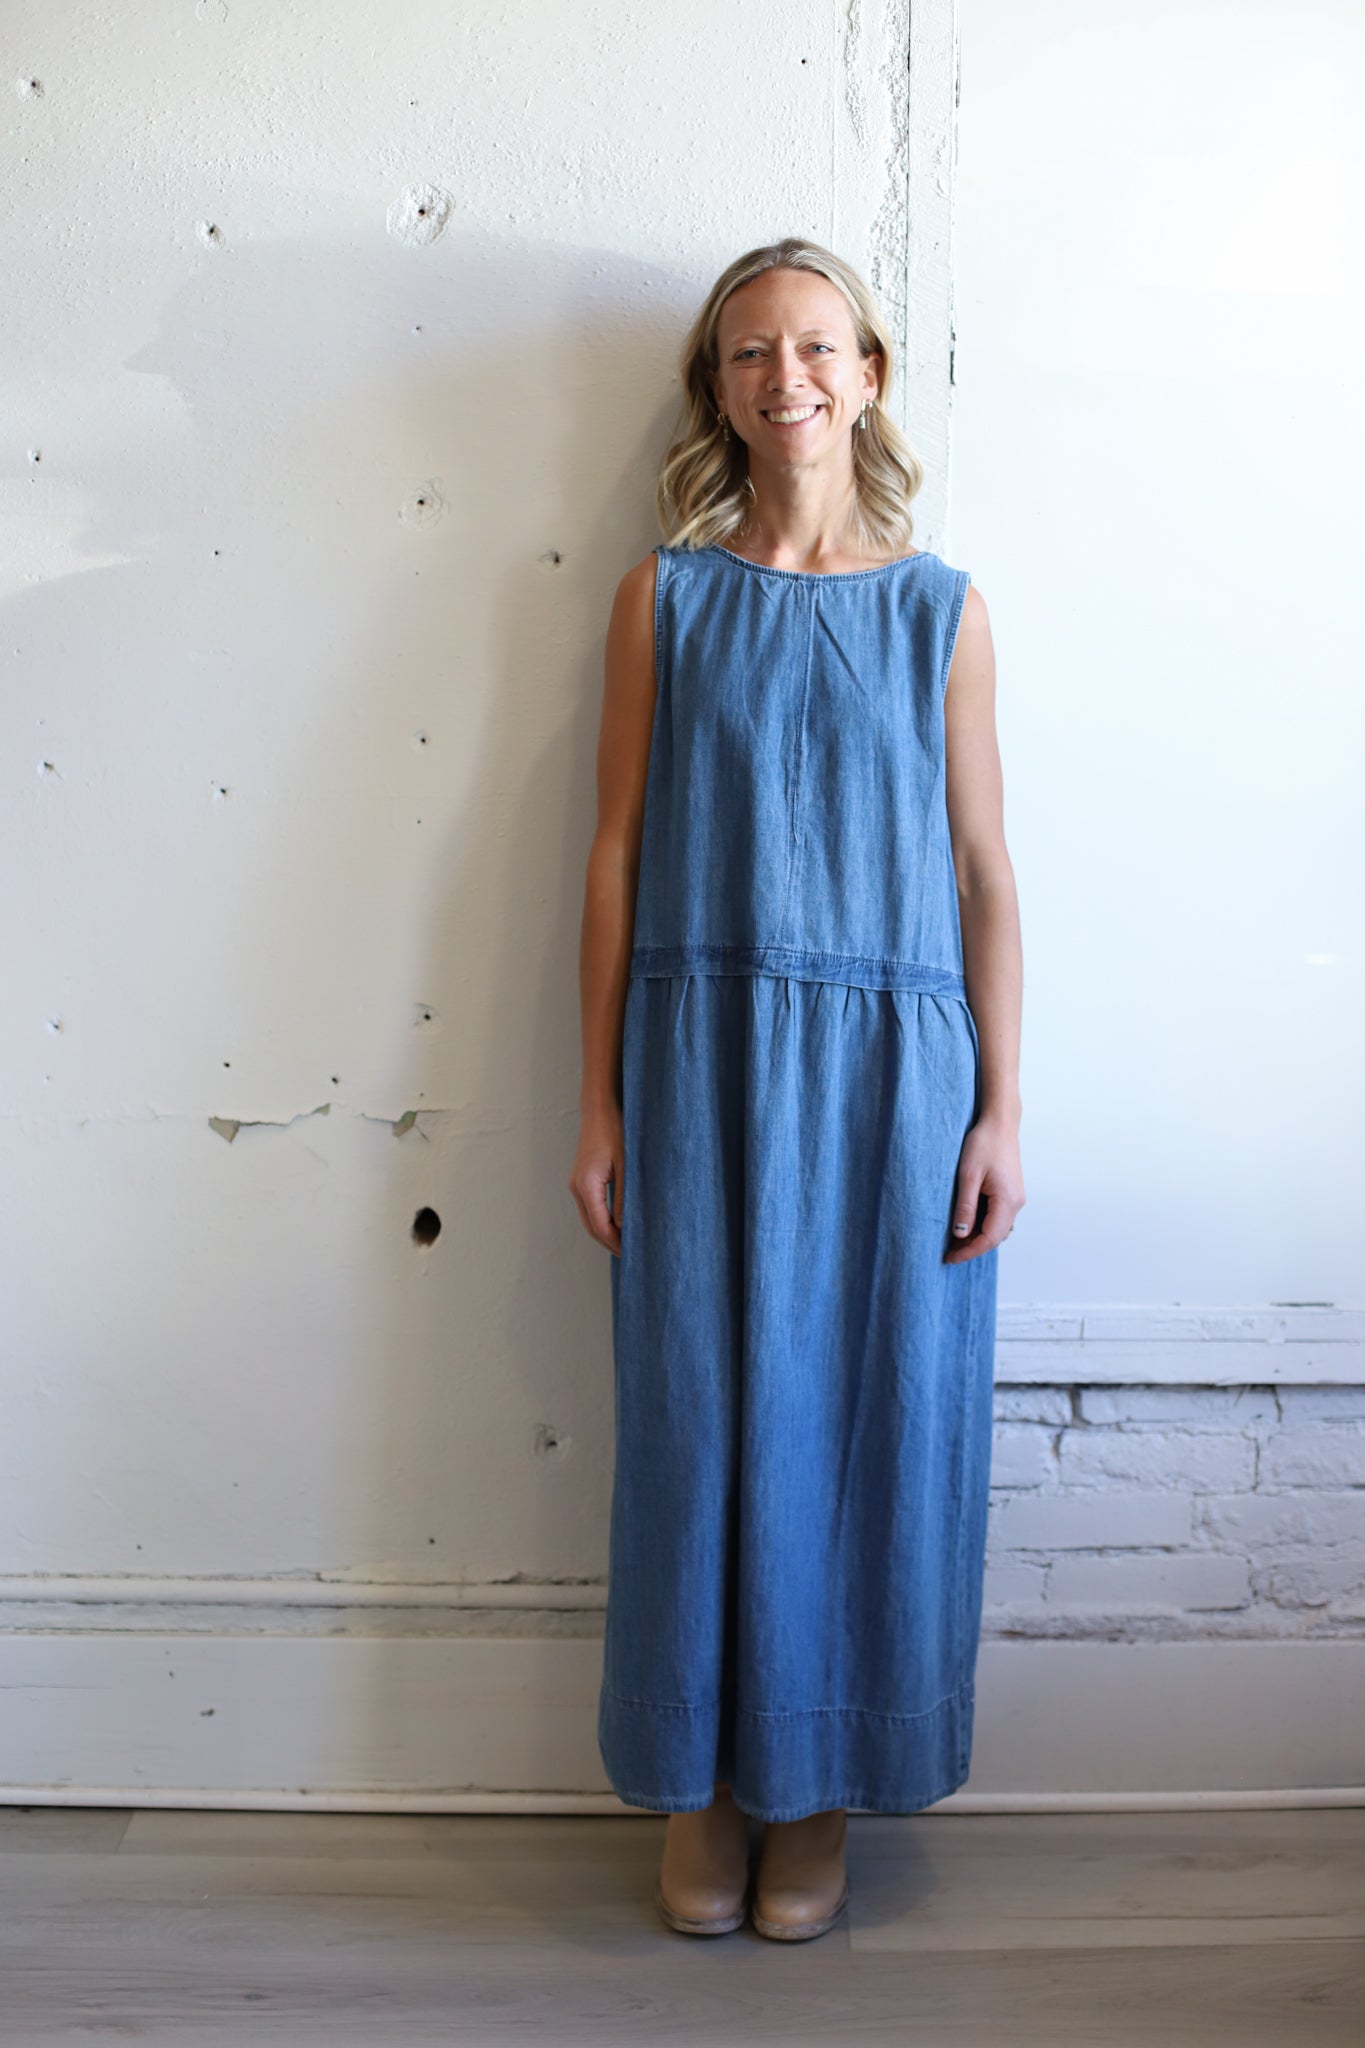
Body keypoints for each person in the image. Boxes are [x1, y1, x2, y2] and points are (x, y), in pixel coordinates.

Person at [569, 236, 1025, 1942]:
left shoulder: (940, 611)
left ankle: (818, 1788)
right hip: (700, 1065)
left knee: (866, 1429)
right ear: (718, 387)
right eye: (752, 351)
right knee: (698, 1421)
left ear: (868, 373)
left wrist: (999, 1110)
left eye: (818, 345)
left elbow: (981, 870)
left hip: (896, 1081)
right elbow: (614, 856)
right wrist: (598, 1103)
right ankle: (700, 1785)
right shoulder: (663, 600)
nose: (788, 377)